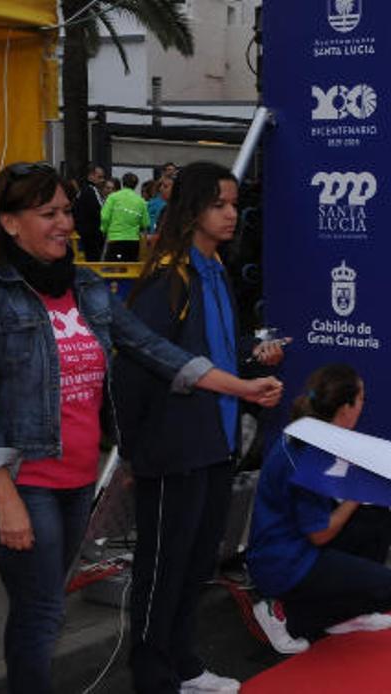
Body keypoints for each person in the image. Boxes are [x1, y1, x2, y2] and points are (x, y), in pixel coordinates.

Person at [0, 162, 284, 694]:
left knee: (44, 607)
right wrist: (3, 492)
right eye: (49, 214)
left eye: (66, 211)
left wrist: (240, 386)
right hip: (21, 479)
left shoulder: (86, 286)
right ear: (10, 223)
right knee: (41, 610)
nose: (66, 224)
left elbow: (154, 350)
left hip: (77, 477)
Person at [110, 162, 286, 693]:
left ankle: (183, 663)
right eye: (218, 205)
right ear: (191, 210)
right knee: (163, 567)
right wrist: (133, 452)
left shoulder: (214, 269)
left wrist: (254, 357)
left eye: (234, 204)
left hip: (215, 443)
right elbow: (135, 366)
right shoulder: (168, 278)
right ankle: (152, 674)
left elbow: (217, 354)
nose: (231, 214)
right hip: (173, 448)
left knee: (194, 564)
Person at [247, 364, 391, 649]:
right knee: (389, 589)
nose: (363, 406)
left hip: (291, 541)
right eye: (361, 399)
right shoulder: (310, 454)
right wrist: (358, 492)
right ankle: (284, 615)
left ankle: (343, 613)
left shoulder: (310, 431)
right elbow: (319, 534)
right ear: (345, 408)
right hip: (285, 560)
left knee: (376, 516)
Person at [101, 172, 151, 261]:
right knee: (130, 267)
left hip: (115, 239)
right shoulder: (141, 201)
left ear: (122, 183)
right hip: (133, 242)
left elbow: (105, 217)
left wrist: (104, 229)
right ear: (136, 185)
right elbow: (145, 223)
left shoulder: (113, 197)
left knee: (112, 267)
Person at [73, 163, 105, 261]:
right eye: (99, 177)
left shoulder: (82, 190)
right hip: (93, 235)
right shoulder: (92, 190)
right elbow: (101, 212)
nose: (102, 180)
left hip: (84, 233)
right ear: (91, 176)